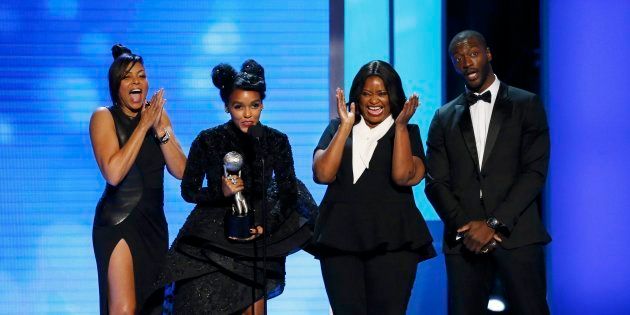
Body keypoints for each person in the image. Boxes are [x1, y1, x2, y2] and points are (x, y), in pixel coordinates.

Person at [155, 59, 315, 314]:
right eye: (239, 106)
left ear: (263, 104)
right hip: (212, 239)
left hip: (256, 238)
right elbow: (189, 190)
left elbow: (288, 194)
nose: (248, 114)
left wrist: (266, 225)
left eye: (254, 105)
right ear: (227, 107)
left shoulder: (276, 141)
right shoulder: (208, 139)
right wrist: (222, 191)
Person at [424, 30, 551, 315]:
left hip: (517, 236)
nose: (466, 62)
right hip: (464, 242)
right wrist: (468, 228)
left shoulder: (526, 104)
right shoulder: (444, 117)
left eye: (473, 53)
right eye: (458, 58)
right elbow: (435, 182)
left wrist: (493, 224)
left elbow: (534, 172)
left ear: (488, 54)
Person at [312, 60, 436, 314]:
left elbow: (404, 176)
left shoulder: (408, 131)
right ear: (357, 95)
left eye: (381, 93)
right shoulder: (338, 127)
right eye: (366, 93)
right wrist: (346, 125)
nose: (373, 100)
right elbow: (322, 174)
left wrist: (400, 127)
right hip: (340, 240)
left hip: (393, 242)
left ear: (393, 95)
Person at [90, 44, 187, 314]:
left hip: (153, 225)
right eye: (128, 77)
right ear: (116, 85)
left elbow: (181, 171)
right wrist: (143, 125)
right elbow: (114, 172)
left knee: (153, 308)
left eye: (142, 76)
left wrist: (159, 129)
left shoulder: (157, 116)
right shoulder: (103, 117)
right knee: (124, 308)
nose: (137, 82)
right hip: (119, 221)